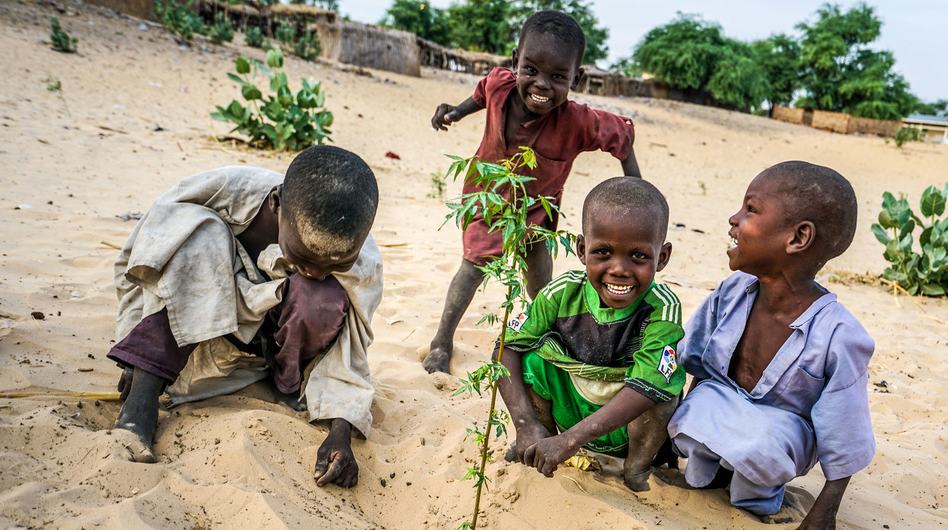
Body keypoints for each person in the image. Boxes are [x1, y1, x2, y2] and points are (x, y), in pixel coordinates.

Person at [108, 145, 383, 489]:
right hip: (201, 331)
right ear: (276, 204)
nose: (315, 271)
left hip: (274, 347)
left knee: (321, 296)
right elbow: (144, 267)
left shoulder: (359, 256)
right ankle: (141, 405)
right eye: (301, 256)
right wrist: (139, 363)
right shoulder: (220, 193)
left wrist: (340, 432)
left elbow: (350, 352)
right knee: (197, 235)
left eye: (335, 265)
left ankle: (286, 383)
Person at [423, 10, 640, 374]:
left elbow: (622, 137)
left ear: (577, 78)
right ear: (514, 63)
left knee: (539, 280)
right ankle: (441, 342)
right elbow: (481, 94)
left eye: (558, 77)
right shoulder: (499, 85)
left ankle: (550, 340)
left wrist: (637, 194)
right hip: (487, 198)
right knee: (474, 265)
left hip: (538, 211)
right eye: (531, 70)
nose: (541, 85)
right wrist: (456, 113)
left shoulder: (578, 121)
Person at [668, 161, 876, 527]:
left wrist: (825, 511)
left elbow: (845, 428)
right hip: (725, 405)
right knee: (693, 412)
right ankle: (710, 473)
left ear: (797, 238)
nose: (734, 219)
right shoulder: (731, 292)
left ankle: (759, 496)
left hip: (780, 431)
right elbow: (695, 360)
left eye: (750, 209)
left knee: (764, 443)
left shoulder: (838, 334)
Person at [496, 177, 680, 492]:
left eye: (638, 256)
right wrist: (525, 424)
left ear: (661, 257)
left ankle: (636, 471)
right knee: (531, 359)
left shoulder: (662, 308)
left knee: (661, 392)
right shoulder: (561, 293)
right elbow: (504, 349)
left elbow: (648, 386)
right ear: (582, 250)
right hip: (571, 415)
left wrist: (571, 440)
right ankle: (540, 445)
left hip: (625, 430)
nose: (619, 269)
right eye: (603, 252)